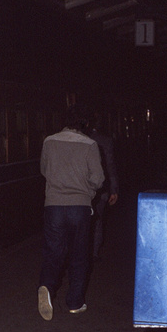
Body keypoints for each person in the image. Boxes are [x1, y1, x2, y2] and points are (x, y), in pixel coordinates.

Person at [38, 105, 105, 320]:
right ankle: (75, 302)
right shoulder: (90, 144)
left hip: (54, 206)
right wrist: (89, 190)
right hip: (80, 207)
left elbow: (44, 170)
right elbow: (98, 178)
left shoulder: (49, 141)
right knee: (79, 254)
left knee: (54, 251)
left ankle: (46, 286)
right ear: (85, 124)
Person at [88, 112, 119, 262]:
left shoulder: (80, 139)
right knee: (98, 219)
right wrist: (113, 189)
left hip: (81, 187)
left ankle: (82, 251)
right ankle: (94, 252)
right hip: (101, 188)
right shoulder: (105, 141)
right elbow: (110, 166)